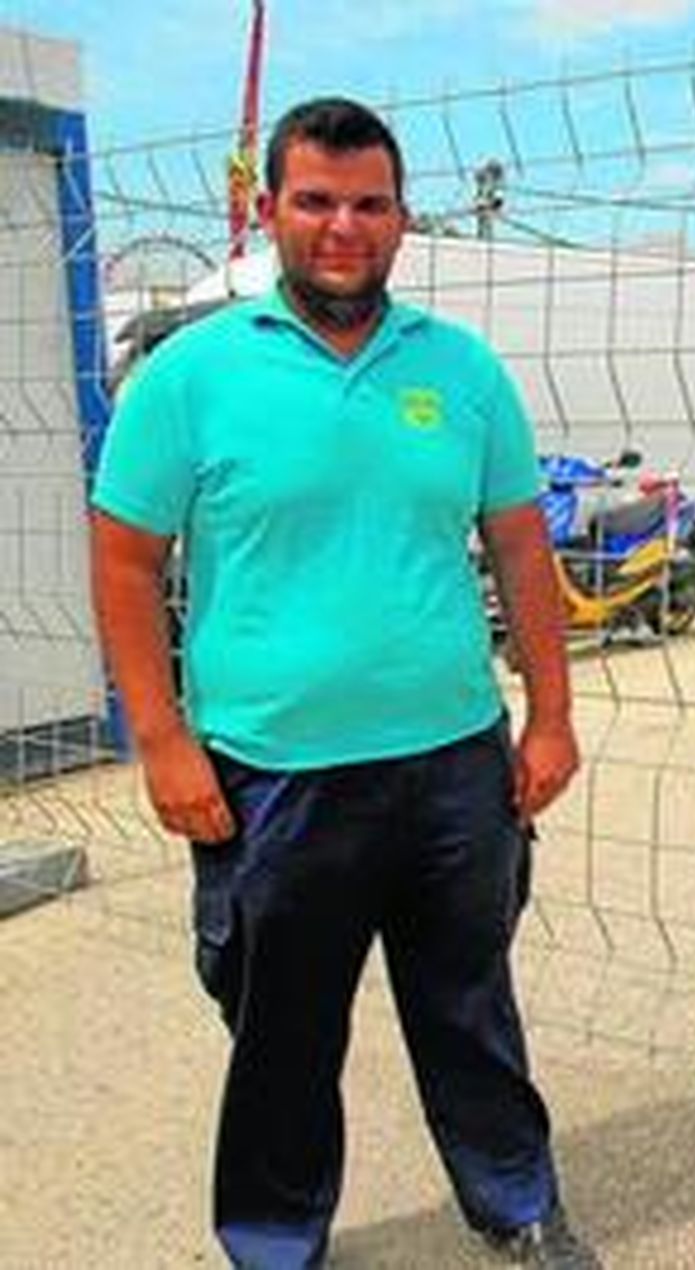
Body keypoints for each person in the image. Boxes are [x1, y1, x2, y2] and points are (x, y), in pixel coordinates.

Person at [90, 98, 598, 1270]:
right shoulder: (192, 375)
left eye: (368, 203)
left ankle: (517, 1206)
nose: (342, 226)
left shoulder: (459, 371)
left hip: (455, 767)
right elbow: (124, 557)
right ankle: (275, 1241)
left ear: (402, 220)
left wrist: (552, 720)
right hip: (272, 777)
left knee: (471, 1013)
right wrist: (160, 738)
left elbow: (522, 546)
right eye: (315, 200)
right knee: (282, 1034)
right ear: (270, 210)